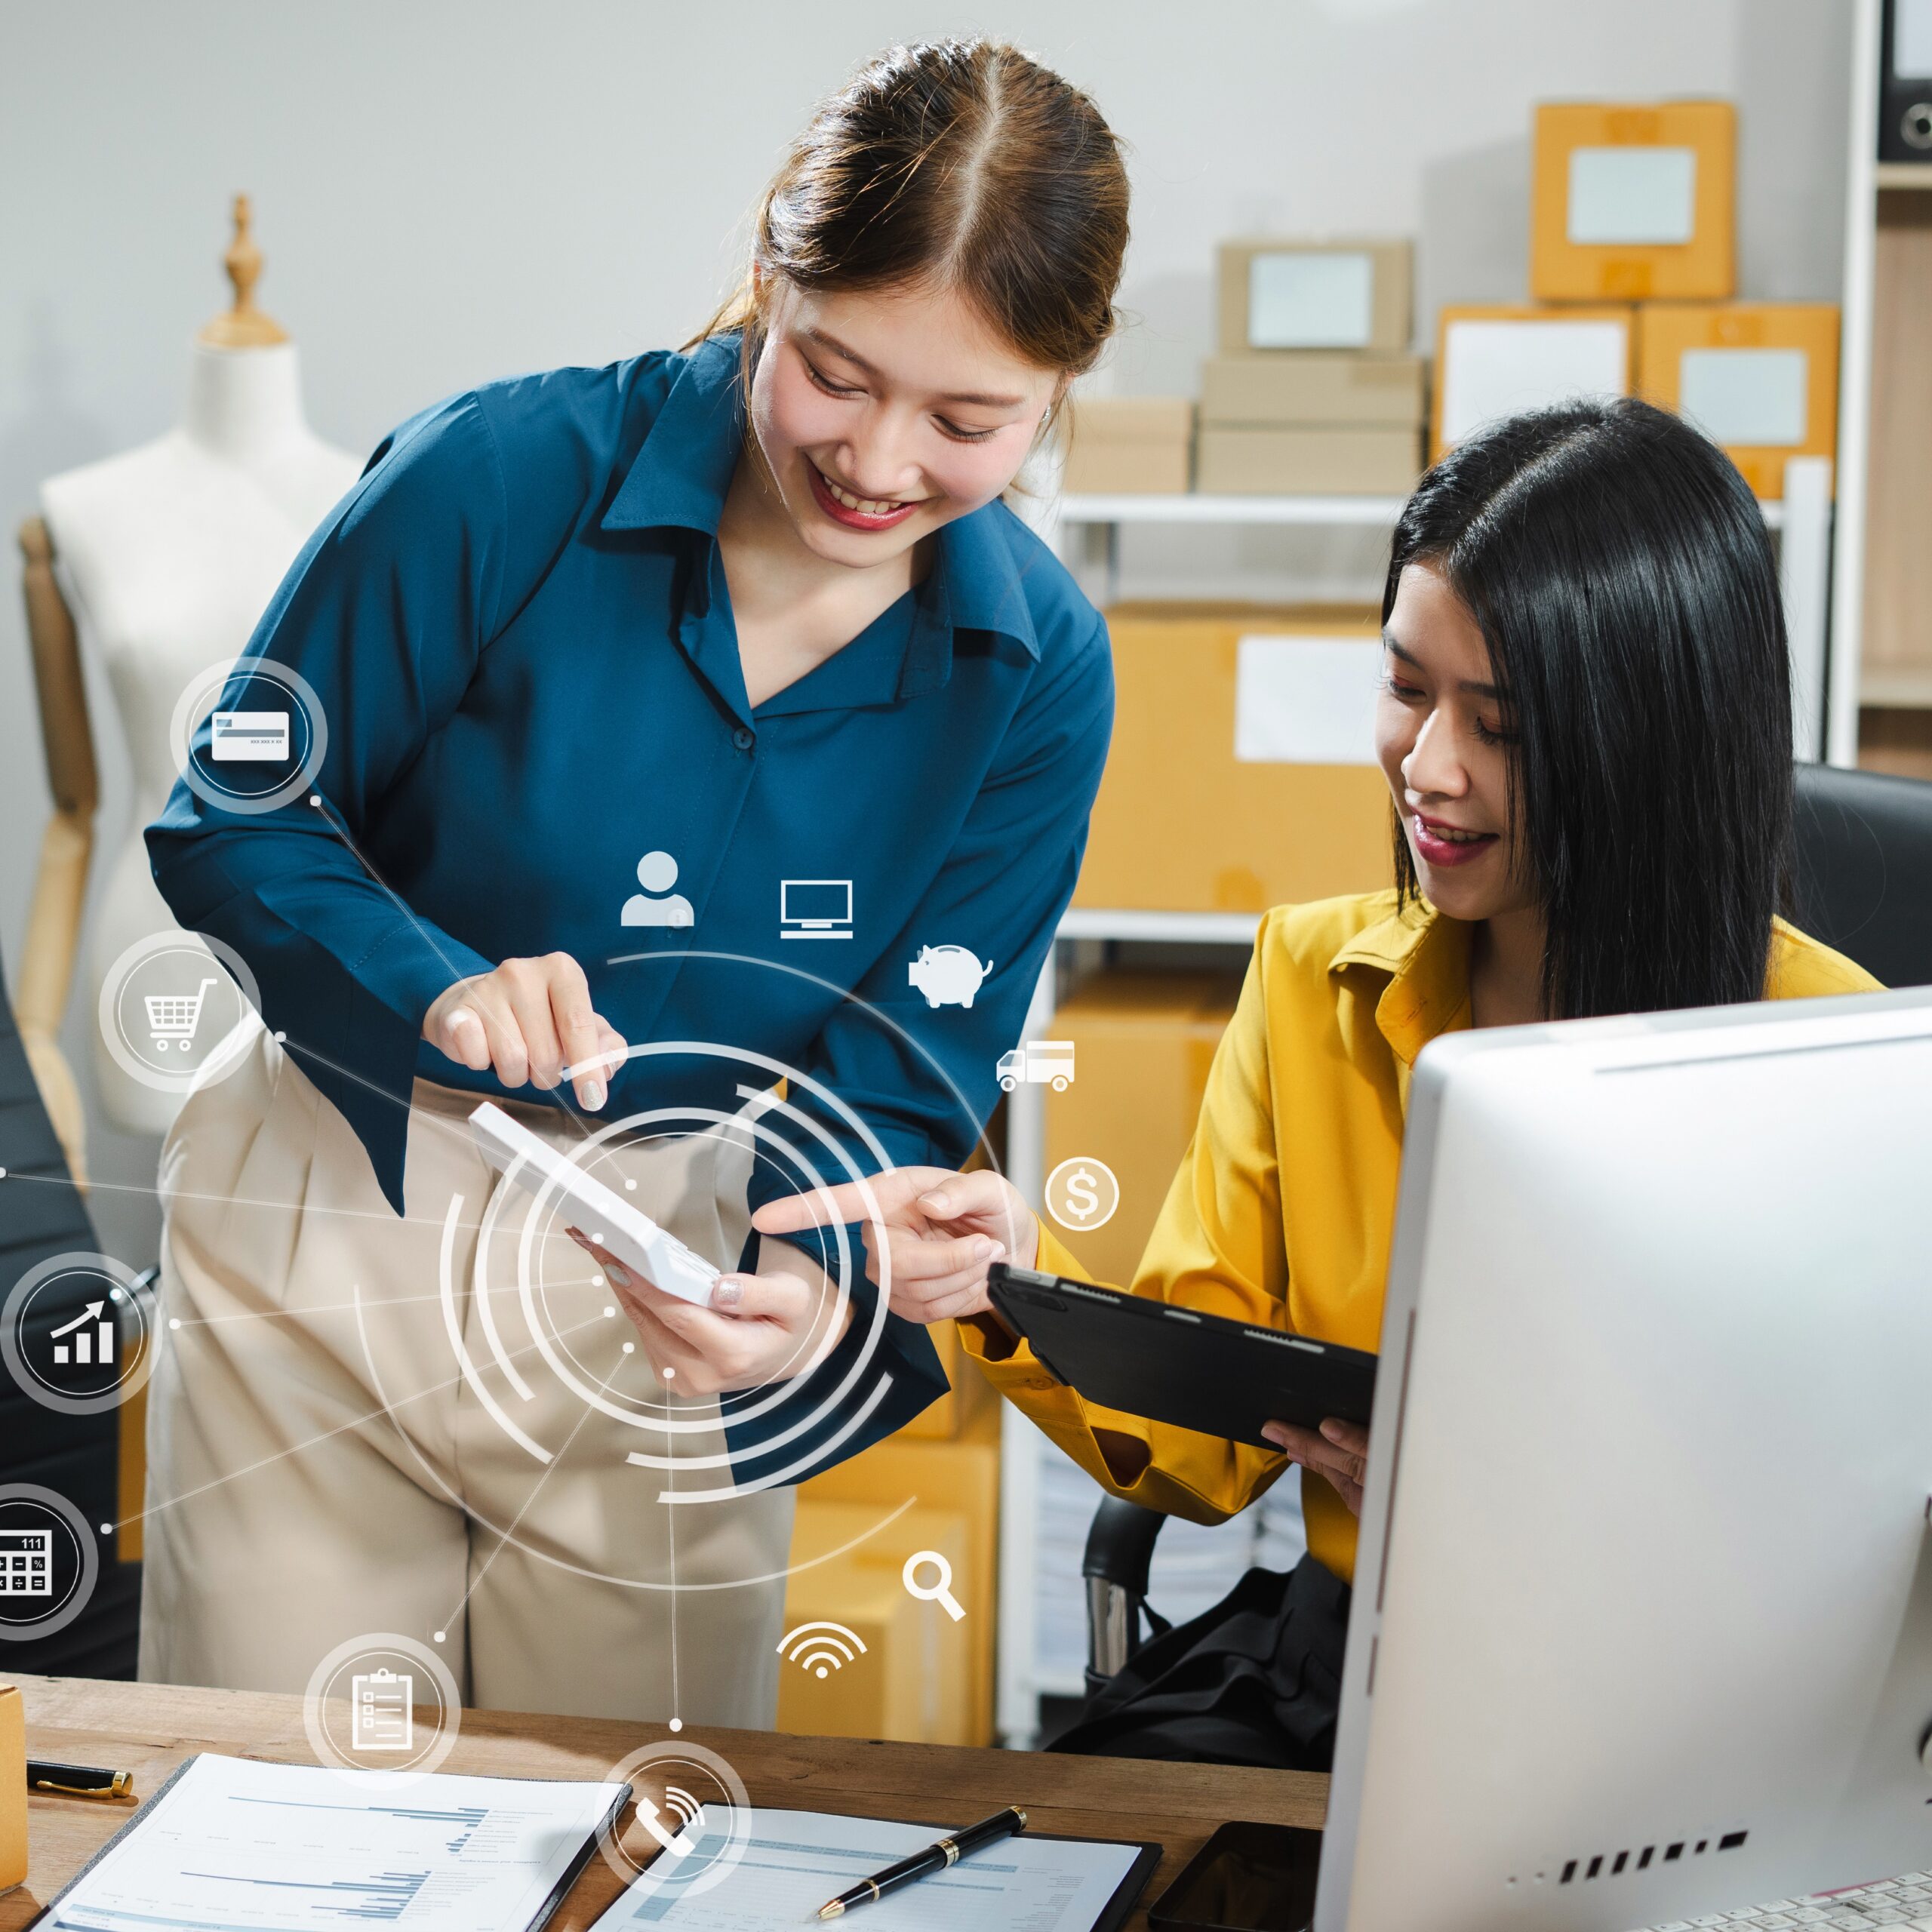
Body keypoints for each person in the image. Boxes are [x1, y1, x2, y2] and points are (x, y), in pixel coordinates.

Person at [139, 38, 1125, 1727]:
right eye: (834, 371)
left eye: (967, 420)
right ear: (766, 274)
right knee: (283, 1822)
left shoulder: (1037, 668)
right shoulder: (499, 476)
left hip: (677, 1272)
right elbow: (232, 810)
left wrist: (809, 1285)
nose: (880, 461)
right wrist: (435, 978)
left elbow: (906, 1072)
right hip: (338, 1214)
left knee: (624, 1841)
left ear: (1055, 393)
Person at [755, 397, 1884, 1764]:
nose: (1429, 766)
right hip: (1359, 1663)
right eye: (1408, 688)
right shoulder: (1311, 980)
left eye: (1505, 724)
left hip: (1698, 1697)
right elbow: (1204, 1443)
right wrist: (1017, 1281)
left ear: (1654, 741)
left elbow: (1865, 1498)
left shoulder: (1842, 1056)